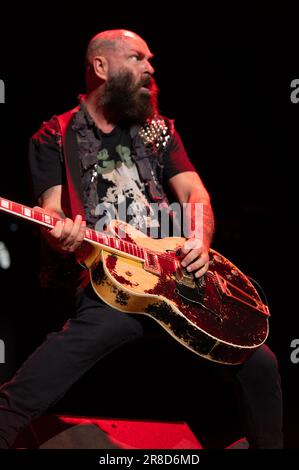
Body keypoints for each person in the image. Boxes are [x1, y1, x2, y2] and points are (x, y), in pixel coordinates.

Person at [0, 29, 283, 449]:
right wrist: (62, 236)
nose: (150, 68)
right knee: (49, 371)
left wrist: (199, 242)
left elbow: (195, 195)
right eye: (137, 58)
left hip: (172, 277)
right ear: (101, 66)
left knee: (258, 360)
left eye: (149, 60)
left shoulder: (156, 131)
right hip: (106, 278)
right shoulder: (54, 135)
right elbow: (53, 214)